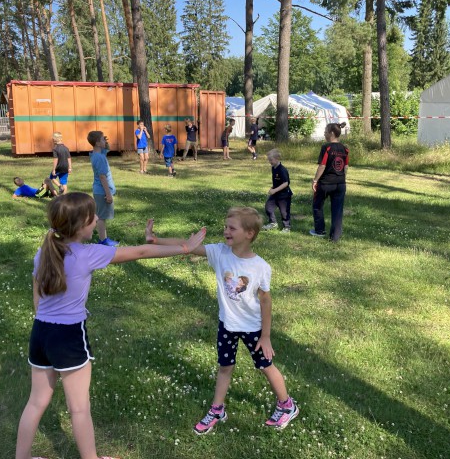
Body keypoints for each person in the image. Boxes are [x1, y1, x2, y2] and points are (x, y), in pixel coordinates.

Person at [15, 192, 207, 459]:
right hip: (68, 336)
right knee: (79, 408)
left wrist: (45, 317)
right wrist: (184, 248)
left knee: (36, 402)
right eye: (93, 217)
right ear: (81, 225)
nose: (97, 220)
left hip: (40, 333)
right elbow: (140, 251)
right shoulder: (88, 254)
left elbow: (37, 293)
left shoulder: (44, 250)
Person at [145, 207, 299, 435]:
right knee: (225, 366)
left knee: (265, 366)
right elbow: (186, 244)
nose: (225, 231)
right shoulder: (219, 252)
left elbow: (266, 301)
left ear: (249, 233)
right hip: (227, 325)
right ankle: (217, 409)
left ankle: (287, 405)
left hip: (252, 328)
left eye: (231, 228)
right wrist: (156, 240)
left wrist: (265, 336)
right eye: (225, 226)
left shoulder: (261, 267)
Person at [310, 122, 349, 242]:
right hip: (340, 184)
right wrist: (342, 178)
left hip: (326, 184)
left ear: (332, 133)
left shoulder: (326, 147)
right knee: (337, 210)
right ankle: (335, 237)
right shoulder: (345, 149)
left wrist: (315, 180)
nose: (324, 133)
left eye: (326, 131)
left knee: (317, 205)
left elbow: (322, 166)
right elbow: (346, 167)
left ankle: (319, 230)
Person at [88, 131, 120, 246]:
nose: (105, 141)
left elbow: (107, 149)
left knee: (101, 215)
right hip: (102, 192)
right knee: (101, 217)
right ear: (97, 143)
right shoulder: (100, 158)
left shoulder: (96, 154)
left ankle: (103, 238)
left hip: (99, 191)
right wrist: (108, 194)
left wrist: (104, 142)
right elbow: (102, 177)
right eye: (102, 140)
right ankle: (103, 240)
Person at [262, 149, 292, 233]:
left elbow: (286, 183)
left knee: (284, 212)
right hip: (275, 193)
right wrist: (273, 188)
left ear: (277, 158)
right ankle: (273, 223)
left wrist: (274, 190)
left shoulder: (282, 170)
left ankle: (287, 227)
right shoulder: (273, 168)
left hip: (284, 195)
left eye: (271, 160)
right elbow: (277, 181)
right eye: (269, 160)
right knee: (268, 207)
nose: (269, 161)